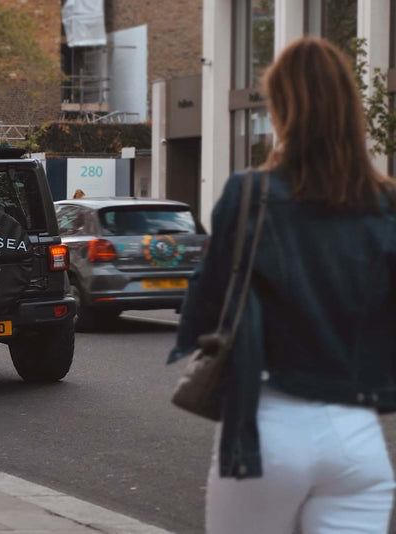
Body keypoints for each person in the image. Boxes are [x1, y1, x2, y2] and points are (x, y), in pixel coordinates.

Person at [169, 37, 396, 533]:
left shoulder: (250, 193)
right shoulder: (387, 205)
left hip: (266, 428)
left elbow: (206, 306)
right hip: (358, 440)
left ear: (281, 112)